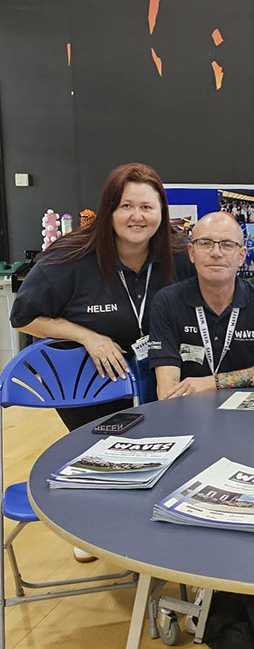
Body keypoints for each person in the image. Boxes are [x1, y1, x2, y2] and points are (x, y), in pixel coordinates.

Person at [10, 162, 190, 562]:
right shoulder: (69, 256)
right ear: (109, 209)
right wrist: (85, 335)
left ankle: (163, 523)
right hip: (92, 379)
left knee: (168, 452)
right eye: (126, 206)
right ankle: (92, 526)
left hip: (158, 370)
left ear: (162, 212)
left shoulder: (177, 254)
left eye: (148, 206)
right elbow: (24, 317)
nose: (137, 216)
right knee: (110, 459)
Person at [148, 212, 254, 398]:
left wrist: (214, 382)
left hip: (247, 415)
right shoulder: (167, 303)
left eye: (227, 245)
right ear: (191, 252)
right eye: (205, 243)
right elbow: (167, 389)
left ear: (242, 256)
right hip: (189, 414)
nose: (216, 253)